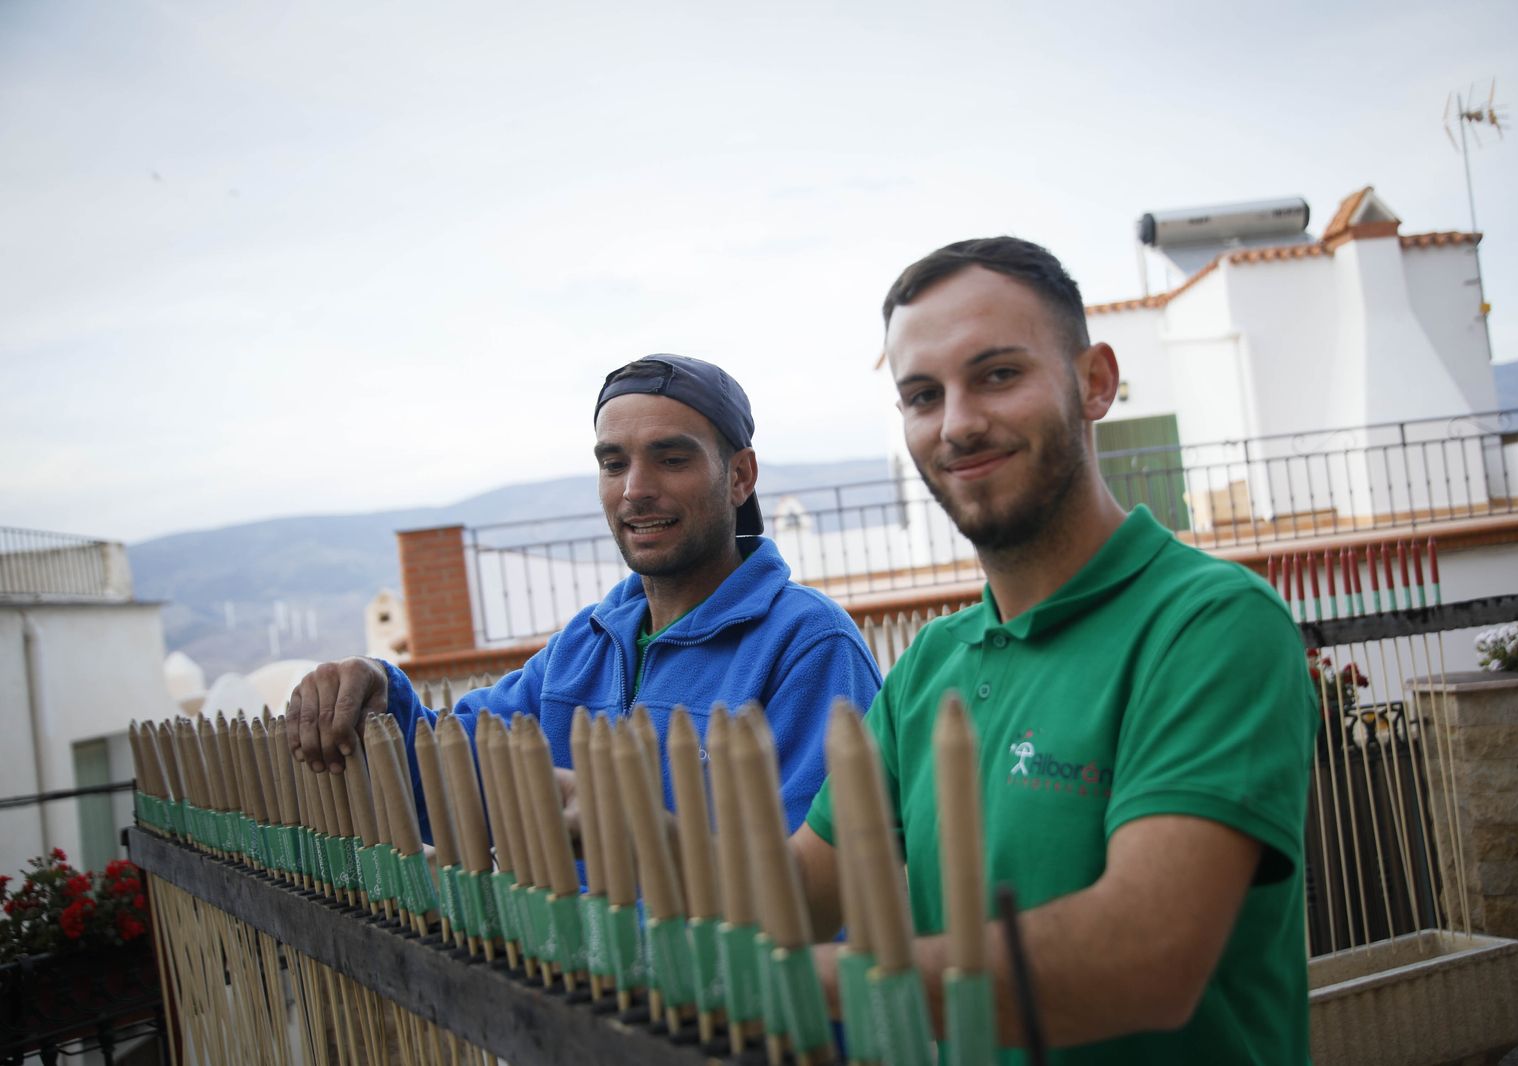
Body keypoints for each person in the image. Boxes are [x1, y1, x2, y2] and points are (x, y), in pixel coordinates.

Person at [792, 238, 1317, 1063]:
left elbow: (1144, 961)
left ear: (1094, 381)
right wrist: (591, 819)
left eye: (998, 373)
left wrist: (791, 984)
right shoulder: (931, 665)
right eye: (923, 396)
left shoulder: (1211, 625)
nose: (958, 423)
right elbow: (797, 895)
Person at [289, 354, 882, 834]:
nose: (636, 490)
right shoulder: (588, 645)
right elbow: (449, 782)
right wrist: (377, 689)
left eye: (671, 459)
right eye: (613, 464)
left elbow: (825, 885)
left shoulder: (808, 647)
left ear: (741, 477)